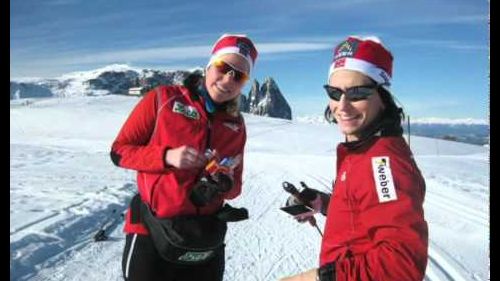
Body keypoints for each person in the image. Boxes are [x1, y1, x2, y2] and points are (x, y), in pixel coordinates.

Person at [110, 34, 258, 281]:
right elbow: (119, 152)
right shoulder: (162, 99)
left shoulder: (236, 125)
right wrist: (167, 157)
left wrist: (225, 183)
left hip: (202, 238)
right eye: (224, 68)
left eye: (239, 75)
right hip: (152, 229)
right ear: (209, 66)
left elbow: (235, 189)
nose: (228, 79)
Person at [279, 36, 428, 281]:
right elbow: (364, 208)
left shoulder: (382, 162)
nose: (343, 106)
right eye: (335, 92)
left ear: (382, 97)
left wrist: (316, 278)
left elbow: (402, 265)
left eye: (357, 93)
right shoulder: (362, 147)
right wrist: (323, 203)